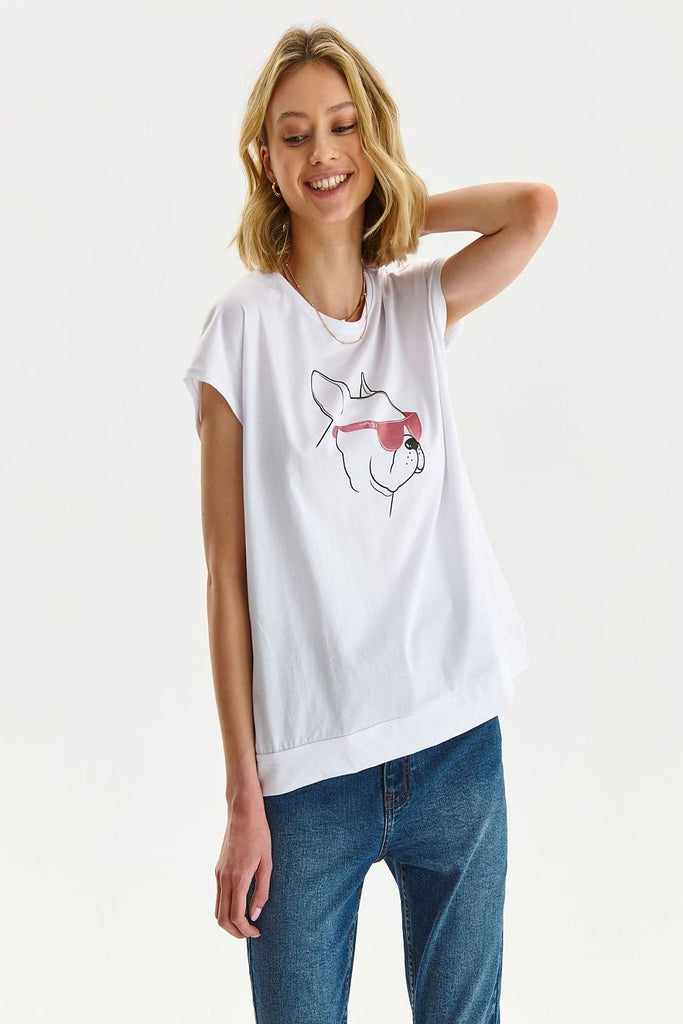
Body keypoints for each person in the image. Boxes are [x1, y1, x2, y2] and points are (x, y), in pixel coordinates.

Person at [183, 22, 557, 1024]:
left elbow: (531, 210)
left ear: (373, 138)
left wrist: (376, 208)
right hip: (307, 777)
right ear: (264, 160)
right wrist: (242, 795)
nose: (322, 152)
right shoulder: (241, 330)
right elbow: (225, 578)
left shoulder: (414, 306)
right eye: (295, 135)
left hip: (452, 739)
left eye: (343, 128)